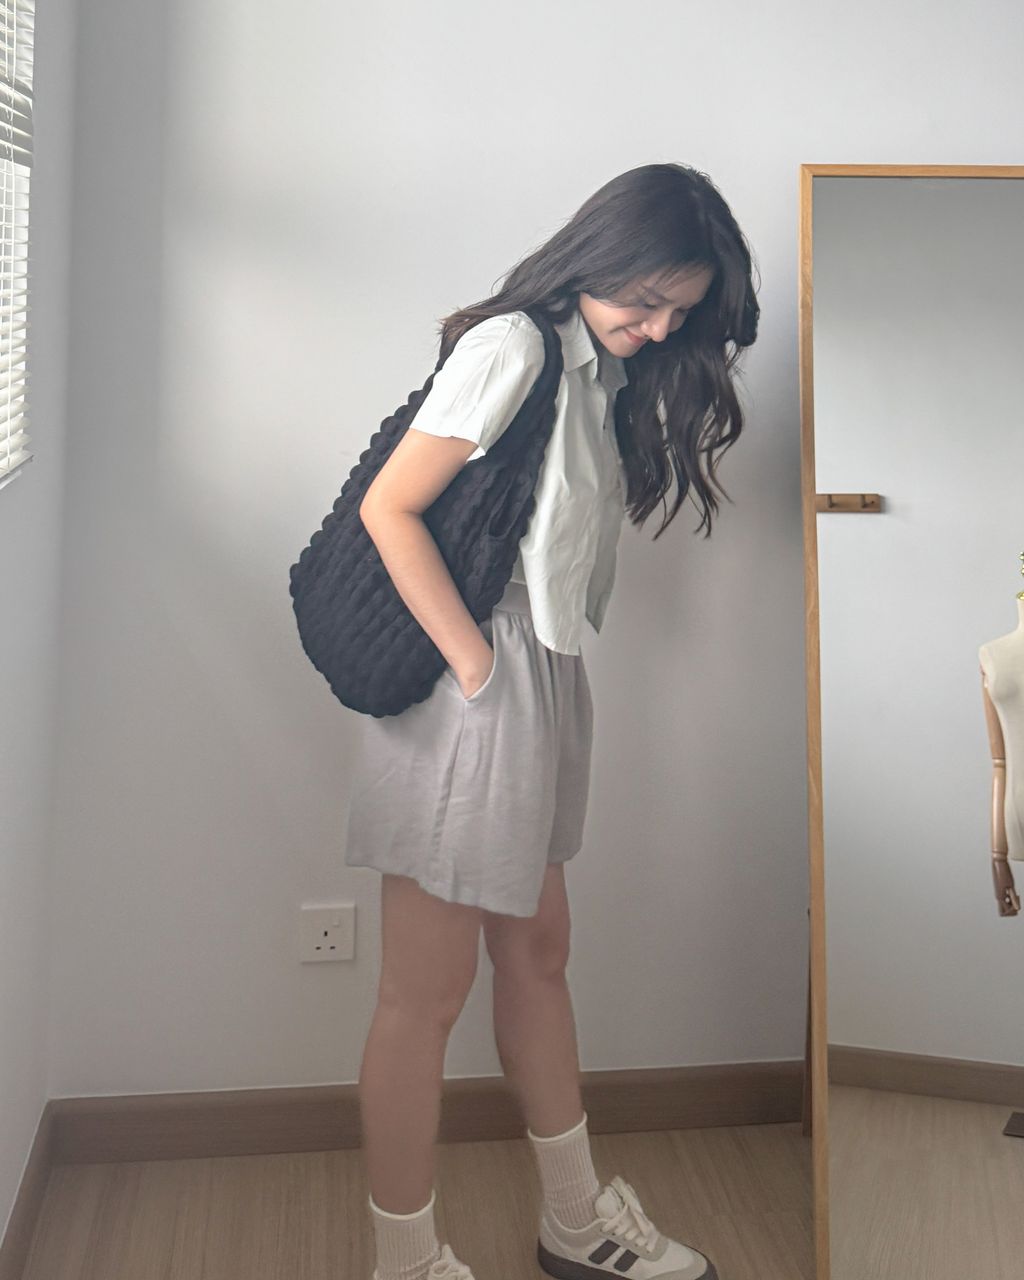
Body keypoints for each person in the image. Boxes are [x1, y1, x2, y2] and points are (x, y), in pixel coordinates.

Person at [345, 162, 760, 1280]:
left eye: (679, 311)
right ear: (599, 256)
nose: (658, 327)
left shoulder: (597, 369)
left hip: (543, 670)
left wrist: (521, 681)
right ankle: (404, 1261)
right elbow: (391, 506)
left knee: (537, 953)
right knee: (423, 993)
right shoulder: (513, 348)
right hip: (471, 683)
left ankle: (575, 1221)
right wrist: (479, 673)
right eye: (648, 299)